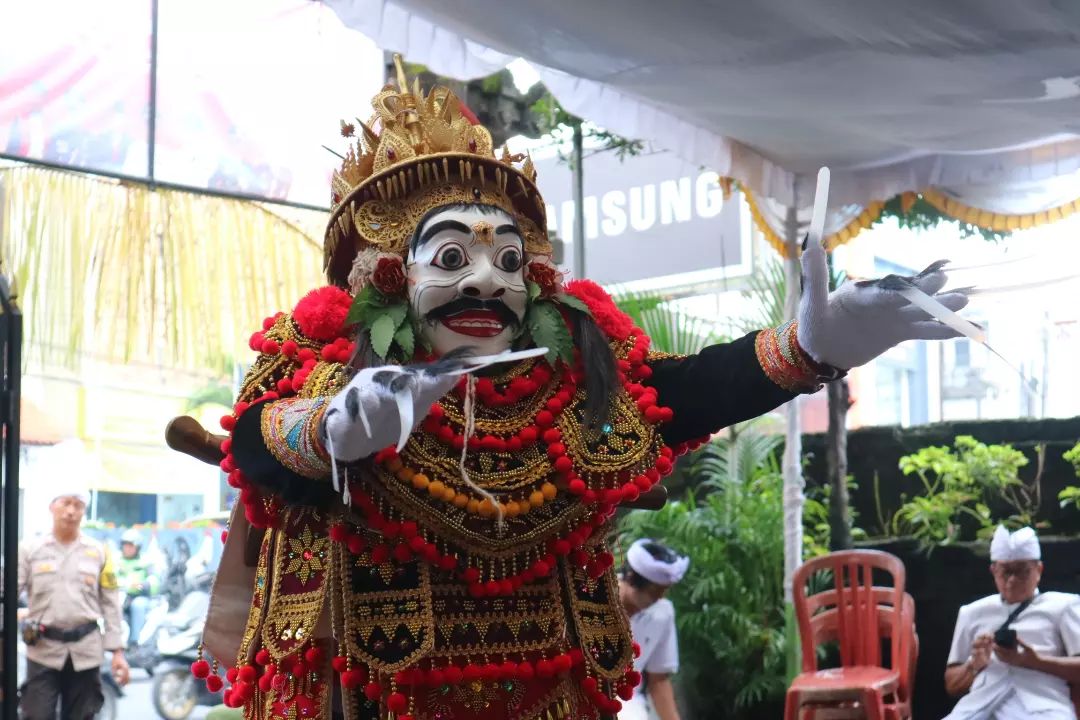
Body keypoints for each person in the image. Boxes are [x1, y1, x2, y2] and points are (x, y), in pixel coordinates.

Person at [196, 54, 970, 720]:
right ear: (392, 277)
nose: (487, 285)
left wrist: (808, 349)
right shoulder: (330, 364)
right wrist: (331, 431)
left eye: (506, 262)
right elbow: (255, 439)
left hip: (552, 685)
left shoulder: (568, 391)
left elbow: (690, 392)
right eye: (453, 259)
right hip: (376, 688)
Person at [17, 478, 130, 720]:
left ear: (84, 511)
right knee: (36, 715)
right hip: (42, 651)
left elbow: (110, 602)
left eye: (77, 505)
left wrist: (118, 652)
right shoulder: (29, 550)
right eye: (65, 503)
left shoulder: (99, 551)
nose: (71, 511)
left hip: (86, 651)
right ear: (52, 507)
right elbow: (8, 596)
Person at [943, 525, 1080, 720]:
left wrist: (1036, 662)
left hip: (1043, 706)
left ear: (1038, 570)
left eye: (1022, 571)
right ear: (993, 570)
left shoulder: (1063, 606)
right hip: (980, 706)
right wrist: (974, 664)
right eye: (1006, 572)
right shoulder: (972, 612)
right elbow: (952, 685)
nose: (1013, 580)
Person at [618, 540, 689, 720]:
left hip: (627, 701)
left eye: (663, 591)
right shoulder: (593, 596)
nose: (659, 598)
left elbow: (658, 680)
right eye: (654, 591)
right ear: (632, 578)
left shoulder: (663, 613)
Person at [116, 528, 161, 648]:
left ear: (138, 547)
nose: (127, 548)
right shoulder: (117, 560)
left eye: (131, 545)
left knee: (138, 605)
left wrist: (144, 585)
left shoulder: (146, 561)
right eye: (125, 545)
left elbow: (155, 580)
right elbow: (109, 577)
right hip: (120, 594)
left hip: (139, 596)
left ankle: (135, 641)